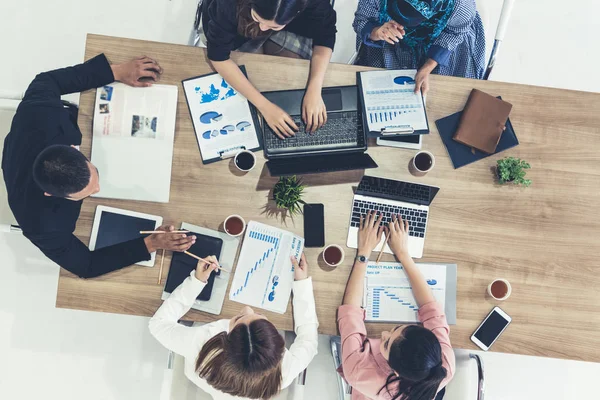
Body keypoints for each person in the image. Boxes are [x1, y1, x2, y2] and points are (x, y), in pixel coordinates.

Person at [1, 55, 196, 278]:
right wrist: (151, 244)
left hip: (32, 136)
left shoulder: (40, 113)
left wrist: (116, 71)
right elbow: (87, 266)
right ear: (50, 194)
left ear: (74, 149)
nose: (98, 189)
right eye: (87, 192)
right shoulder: (41, 225)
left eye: (95, 176)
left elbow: (46, 80)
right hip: (19, 173)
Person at [149, 253, 319, 399]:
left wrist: (196, 282)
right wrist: (302, 284)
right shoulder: (285, 371)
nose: (247, 308)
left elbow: (158, 325)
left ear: (224, 339)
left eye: (239, 318)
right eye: (259, 316)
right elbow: (309, 341)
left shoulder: (200, 344)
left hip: (207, 380)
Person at [337, 212, 455, 400]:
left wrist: (363, 253)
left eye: (386, 342)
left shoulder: (359, 373)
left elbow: (350, 315)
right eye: (398, 329)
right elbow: (431, 310)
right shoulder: (442, 365)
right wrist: (402, 253)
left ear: (396, 371)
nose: (384, 333)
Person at [202, 0, 337, 137]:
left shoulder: (314, 3)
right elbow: (218, 56)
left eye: (275, 26)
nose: (263, 28)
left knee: (290, 82)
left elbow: (326, 35)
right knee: (255, 82)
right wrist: (264, 107)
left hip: (296, 26)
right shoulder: (227, 5)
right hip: (235, 30)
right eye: (257, 18)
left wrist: (315, 89)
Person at [354, 0, 486, 93]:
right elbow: (361, 20)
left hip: (441, 41)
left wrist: (428, 66)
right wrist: (377, 32)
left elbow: (455, 32)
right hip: (387, 42)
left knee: (446, 97)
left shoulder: (460, 5)